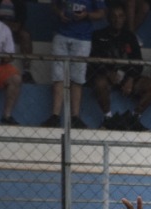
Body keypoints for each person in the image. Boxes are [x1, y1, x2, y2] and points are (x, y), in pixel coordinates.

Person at [89, 0, 151, 131]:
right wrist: (108, 73)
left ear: (125, 18)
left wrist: (131, 79)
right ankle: (108, 118)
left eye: (121, 16)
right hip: (107, 77)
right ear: (108, 18)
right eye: (114, 16)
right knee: (99, 83)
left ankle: (134, 118)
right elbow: (93, 62)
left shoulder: (130, 36)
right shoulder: (98, 35)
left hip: (127, 78)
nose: (117, 19)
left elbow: (138, 63)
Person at [43, 0, 106, 129]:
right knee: (58, 76)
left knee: (78, 78)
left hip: (82, 38)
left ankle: (75, 117)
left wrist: (86, 15)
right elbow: (54, 5)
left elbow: (101, 13)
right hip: (62, 34)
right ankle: (55, 116)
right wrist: (59, 13)